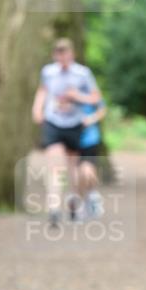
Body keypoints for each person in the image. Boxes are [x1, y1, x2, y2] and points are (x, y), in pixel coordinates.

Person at [31, 38, 101, 227]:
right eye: (58, 52)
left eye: (65, 52)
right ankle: (54, 208)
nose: (61, 56)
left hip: (74, 125)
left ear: (71, 53)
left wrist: (76, 96)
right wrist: (37, 109)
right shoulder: (48, 72)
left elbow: (96, 98)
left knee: (73, 170)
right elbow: (43, 91)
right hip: (53, 123)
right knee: (55, 165)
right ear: (54, 54)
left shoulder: (83, 74)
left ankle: (74, 203)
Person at [77, 94, 107, 219]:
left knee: (86, 166)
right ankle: (90, 196)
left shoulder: (90, 90)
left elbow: (102, 109)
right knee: (82, 168)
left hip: (89, 137)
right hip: (73, 138)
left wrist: (90, 119)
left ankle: (91, 196)